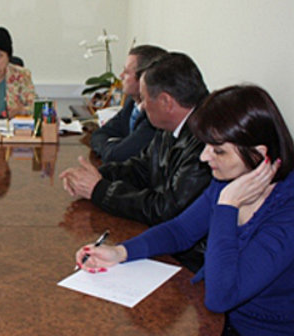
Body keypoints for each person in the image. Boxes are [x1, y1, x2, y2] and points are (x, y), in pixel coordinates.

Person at [75, 85, 294, 336]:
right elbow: (180, 230)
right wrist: (120, 252)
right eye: (206, 146)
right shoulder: (229, 179)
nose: (204, 157)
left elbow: (221, 297)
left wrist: (227, 207)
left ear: (259, 154)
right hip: (216, 319)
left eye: (218, 150)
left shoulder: (286, 211)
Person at [61, 53, 212, 272]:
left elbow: (166, 209)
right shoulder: (169, 125)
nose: (140, 107)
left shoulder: (206, 143)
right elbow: (142, 168)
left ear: (166, 102)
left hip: (188, 264)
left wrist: (99, 189)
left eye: (143, 99)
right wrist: (98, 175)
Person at [90, 45, 167, 163]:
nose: (120, 76)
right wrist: (113, 147)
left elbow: (116, 155)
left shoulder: (155, 115)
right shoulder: (131, 103)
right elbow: (99, 134)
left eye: (126, 72)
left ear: (144, 77)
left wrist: (112, 147)